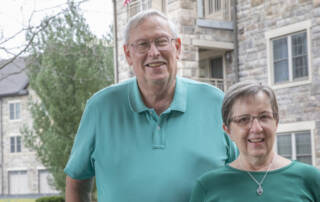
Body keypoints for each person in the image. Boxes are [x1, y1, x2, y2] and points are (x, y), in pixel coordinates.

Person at [64, 10, 238, 202]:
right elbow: (76, 183)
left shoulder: (216, 102)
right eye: (142, 44)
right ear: (128, 54)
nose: (154, 52)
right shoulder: (101, 108)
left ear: (177, 48)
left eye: (161, 41)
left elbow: (244, 175)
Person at [190, 80, 320, 202]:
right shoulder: (208, 187)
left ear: (276, 122)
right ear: (228, 130)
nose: (256, 128)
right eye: (244, 119)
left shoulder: (311, 180)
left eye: (264, 117)